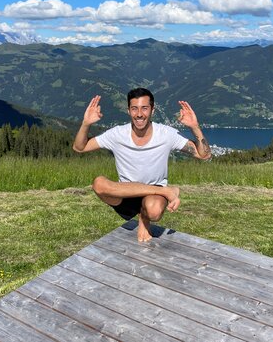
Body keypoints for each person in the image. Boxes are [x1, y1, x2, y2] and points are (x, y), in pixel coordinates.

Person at [73, 87, 211, 242]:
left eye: (144, 108)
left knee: (154, 211)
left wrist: (194, 127)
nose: (139, 114)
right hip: (126, 193)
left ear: (152, 110)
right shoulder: (117, 134)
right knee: (98, 184)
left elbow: (204, 155)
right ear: (128, 111)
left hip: (155, 194)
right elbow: (80, 147)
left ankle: (145, 217)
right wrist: (86, 123)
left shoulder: (166, 134)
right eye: (134, 109)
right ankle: (167, 192)